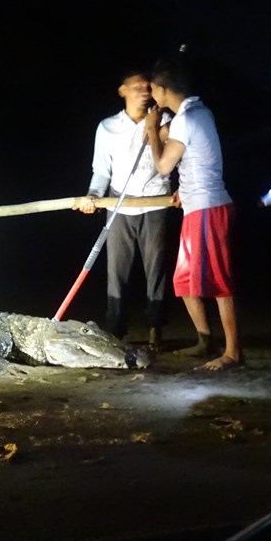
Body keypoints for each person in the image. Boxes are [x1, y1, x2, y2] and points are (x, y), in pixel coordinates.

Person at [144, 55, 243, 371]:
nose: (152, 97)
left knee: (219, 281)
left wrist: (150, 131)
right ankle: (205, 341)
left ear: (162, 90)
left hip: (207, 207)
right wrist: (183, 190)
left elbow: (163, 166)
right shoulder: (198, 113)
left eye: (153, 90)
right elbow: (198, 159)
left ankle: (233, 352)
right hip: (196, 204)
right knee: (184, 280)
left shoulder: (187, 120)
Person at [73, 67, 172, 348]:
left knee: (156, 269)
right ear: (122, 91)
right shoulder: (107, 127)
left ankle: (155, 328)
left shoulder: (165, 120)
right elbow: (101, 169)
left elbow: (177, 157)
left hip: (155, 200)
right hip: (119, 203)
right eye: (137, 86)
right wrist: (93, 195)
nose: (144, 90)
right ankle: (116, 328)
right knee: (116, 272)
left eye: (147, 86)